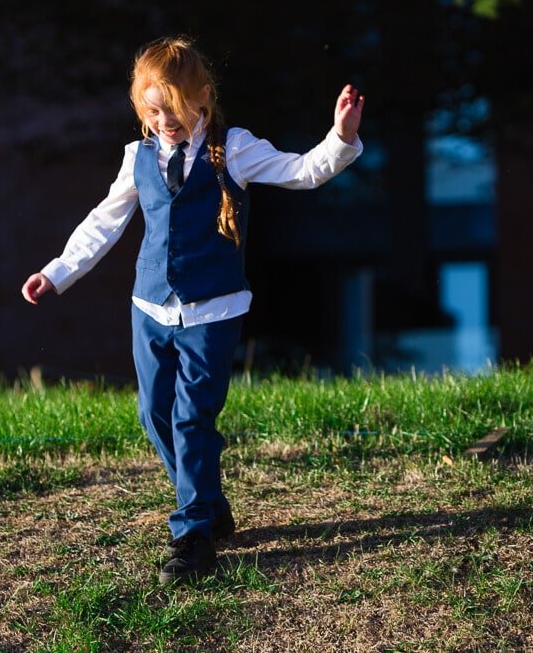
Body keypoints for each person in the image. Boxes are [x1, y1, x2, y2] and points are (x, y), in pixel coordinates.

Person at [21, 37, 364, 584]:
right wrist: (56, 272)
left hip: (214, 309)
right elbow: (103, 223)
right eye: (152, 110)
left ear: (203, 97)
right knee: (153, 412)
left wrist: (340, 138)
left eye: (174, 109)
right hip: (150, 306)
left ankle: (193, 531)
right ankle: (207, 501)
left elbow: (302, 172)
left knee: (191, 416)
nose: (164, 120)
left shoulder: (233, 148)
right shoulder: (138, 158)